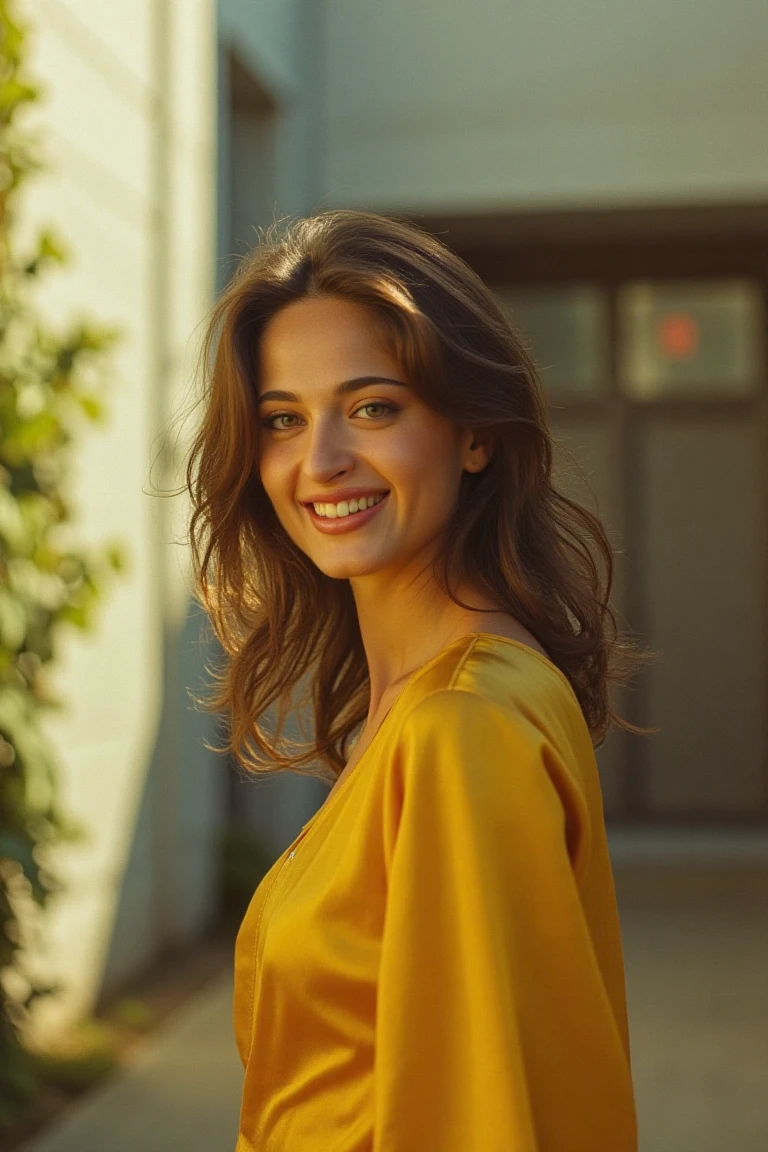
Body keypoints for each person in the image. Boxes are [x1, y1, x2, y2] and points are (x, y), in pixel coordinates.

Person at [185, 210, 651, 1151]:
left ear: (474, 433)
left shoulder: (461, 726)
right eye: (284, 419)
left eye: (372, 408)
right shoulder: (435, 702)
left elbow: (473, 1119)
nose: (320, 463)